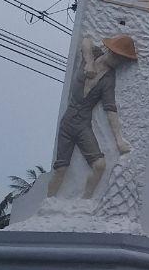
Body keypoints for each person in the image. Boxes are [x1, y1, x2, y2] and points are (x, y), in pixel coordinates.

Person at [46, 34, 137, 199]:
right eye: (117, 56)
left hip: (83, 125)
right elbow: (86, 40)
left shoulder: (108, 79)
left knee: (100, 165)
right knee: (60, 169)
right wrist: (88, 62)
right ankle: (48, 202)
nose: (118, 61)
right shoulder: (93, 54)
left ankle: (85, 201)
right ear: (109, 51)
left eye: (122, 59)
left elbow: (110, 109)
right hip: (67, 123)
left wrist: (119, 139)